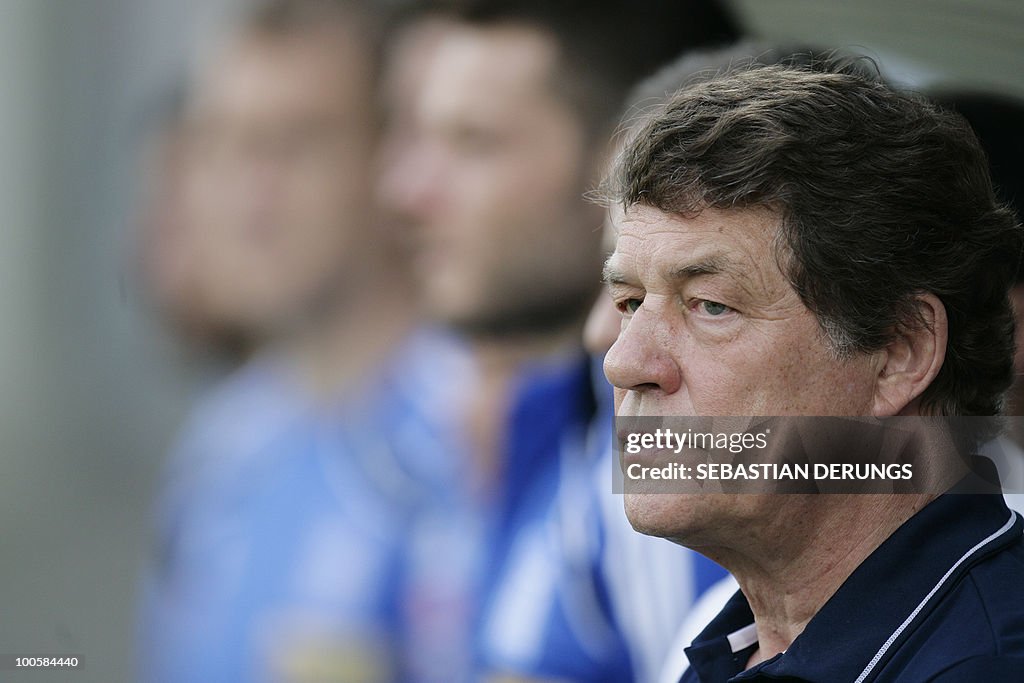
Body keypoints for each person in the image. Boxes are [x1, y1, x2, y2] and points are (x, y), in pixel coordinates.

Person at [601, 60, 1024, 681]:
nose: (624, 362)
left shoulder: (990, 662)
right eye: (631, 303)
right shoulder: (736, 643)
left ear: (900, 352)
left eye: (711, 305)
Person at [378, 1, 739, 680]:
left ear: (635, 161)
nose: (406, 191)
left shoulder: (719, 467)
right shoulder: (530, 434)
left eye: (474, 143)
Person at [137, 2, 468, 681]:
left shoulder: (484, 424)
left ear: (393, 160)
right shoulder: (219, 448)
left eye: (293, 145)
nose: (246, 195)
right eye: (219, 143)